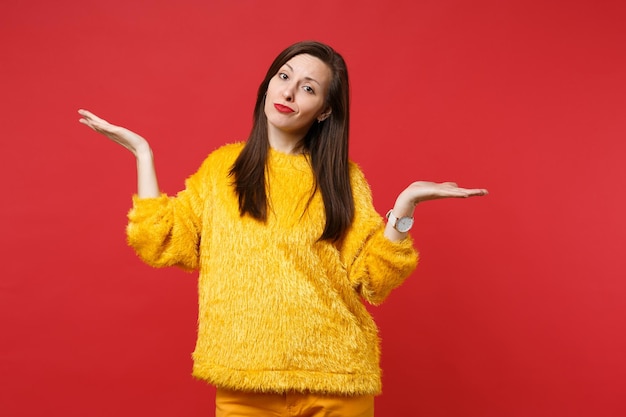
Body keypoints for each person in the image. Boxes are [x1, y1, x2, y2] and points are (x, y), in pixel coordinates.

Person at [79, 40, 487, 417]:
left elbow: (372, 279)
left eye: (309, 88)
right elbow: (162, 239)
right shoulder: (223, 170)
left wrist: (404, 208)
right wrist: (142, 153)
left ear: (325, 109)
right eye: (284, 77)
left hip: (337, 381)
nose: (290, 93)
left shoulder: (342, 178)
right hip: (245, 383)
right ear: (269, 85)